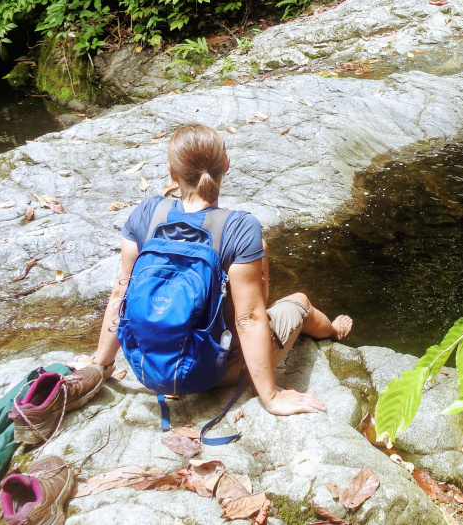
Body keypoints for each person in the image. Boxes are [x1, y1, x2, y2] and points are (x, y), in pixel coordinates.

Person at [72, 123, 352, 416]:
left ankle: (116, 363)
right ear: (226, 165)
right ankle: (333, 331)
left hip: (149, 367)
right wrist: (271, 397)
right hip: (214, 370)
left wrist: (101, 365)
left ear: (172, 172)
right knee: (300, 302)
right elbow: (250, 318)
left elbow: (122, 292)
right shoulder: (240, 228)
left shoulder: (147, 214)